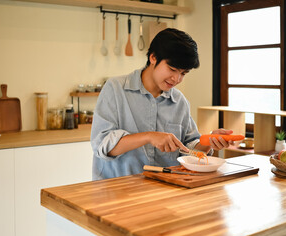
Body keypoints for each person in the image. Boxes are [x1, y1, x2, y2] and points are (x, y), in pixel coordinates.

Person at [90, 28, 233, 180]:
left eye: (183, 73)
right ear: (153, 57)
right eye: (172, 69)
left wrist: (209, 141)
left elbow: (187, 149)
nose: (177, 79)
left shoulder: (179, 101)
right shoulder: (115, 89)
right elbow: (102, 145)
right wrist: (149, 137)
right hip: (116, 191)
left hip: (163, 191)